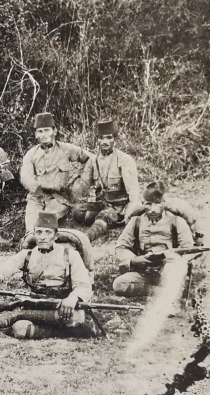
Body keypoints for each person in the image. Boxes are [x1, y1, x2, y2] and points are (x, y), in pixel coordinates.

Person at [0, 212, 95, 339]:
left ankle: (20, 316)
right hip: (36, 306)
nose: (43, 237)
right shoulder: (27, 255)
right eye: (39, 232)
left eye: (48, 232)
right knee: (20, 329)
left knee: (73, 317)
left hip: (62, 307)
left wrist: (73, 298)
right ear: (34, 234)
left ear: (56, 236)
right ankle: (70, 332)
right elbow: (2, 271)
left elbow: (84, 286)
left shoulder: (70, 255)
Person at [112, 181, 195, 312]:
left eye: (158, 203)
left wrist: (172, 259)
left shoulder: (176, 221)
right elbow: (121, 246)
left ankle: (172, 301)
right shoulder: (136, 222)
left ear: (164, 203)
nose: (153, 209)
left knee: (173, 269)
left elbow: (188, 250)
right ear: (143, 203)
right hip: (145, 271)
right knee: (119, 284)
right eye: (148, 204)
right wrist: (134, 260)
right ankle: (162, 292)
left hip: (169, 269)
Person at [19, 113, 92, 234]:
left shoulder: (66, 149)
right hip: (36, 197)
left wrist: (80, 177)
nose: (43, 134)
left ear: (54, 131)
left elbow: (92, 159)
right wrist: (38, 187)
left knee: (44, 222)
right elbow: (25, 176)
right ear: (36, 134)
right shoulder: (31, 154)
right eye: (40, 131)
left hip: (58, 199)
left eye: (47, 130)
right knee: (31, 228)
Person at [71, 120, 142, 243]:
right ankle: (105, 221)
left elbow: (133, 194)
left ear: (115, 139)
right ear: (97, 140)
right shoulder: (93, 160)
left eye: (109, 137)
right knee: (77, 211)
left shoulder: (124, 160)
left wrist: (129, 214)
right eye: (101, 138)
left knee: (105, 215)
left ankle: (85, 239)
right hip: (103, 204)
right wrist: (75, 180)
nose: (104, 142)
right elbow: (83, 185)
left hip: (120, 208)